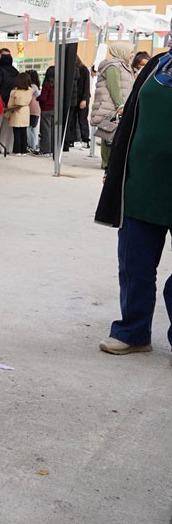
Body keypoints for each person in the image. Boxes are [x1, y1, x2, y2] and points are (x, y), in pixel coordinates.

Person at [96, 50, 172, 356]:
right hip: (142, 183)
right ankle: (133, 331)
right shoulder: (159, 63)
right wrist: (116, 169)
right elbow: (131, 119)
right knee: (134, 263)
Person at [90, 41, 135, 169]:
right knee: (109, 133)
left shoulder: (124, 66)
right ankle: (107, 163)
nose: (132, 55)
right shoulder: (113, 66)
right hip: (111, 106)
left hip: (118, 106)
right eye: (131, 52)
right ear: (122, 51)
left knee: (114, 134)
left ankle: (112, 163)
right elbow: (114, 87)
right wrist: (120, 105)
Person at [0, 48, 19, 155]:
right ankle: (6, 148)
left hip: (0, 102)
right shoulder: (15, 71)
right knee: (7, 128)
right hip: (12, 104)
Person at [6, 73, 35, 155]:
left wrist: (8, 114)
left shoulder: (14, 91)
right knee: (24, 131)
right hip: (26, 110)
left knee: (16, 132)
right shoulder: (31, 91)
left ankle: (17, 150)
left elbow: (10, 104)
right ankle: (23, 150)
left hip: (16, 111)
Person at [35, 67, 57, 157]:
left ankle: (45, 150)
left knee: (45, 130)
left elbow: (43, 97)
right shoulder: (58, 84)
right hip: (55, 109)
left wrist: (37, 98)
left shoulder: (47, 84)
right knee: (53, 130)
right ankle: (52, 149)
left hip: (46, 109)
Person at [27, 70, 42, 154]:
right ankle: (33, 145)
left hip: (31, 110)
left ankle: (32, 145)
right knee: (32, 128)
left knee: (28, 128)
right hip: (36, 110)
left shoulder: (31, 87)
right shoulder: (36, 87)